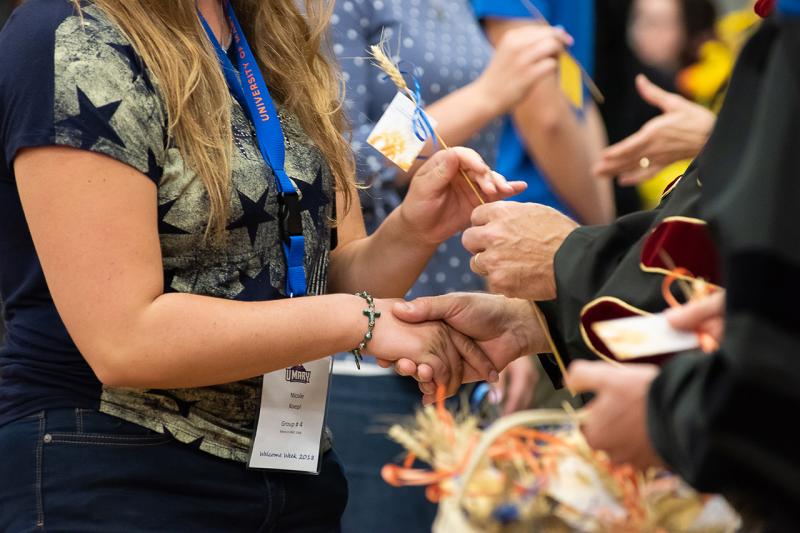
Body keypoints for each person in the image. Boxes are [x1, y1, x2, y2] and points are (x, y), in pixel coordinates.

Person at [0, 0, 526, 530]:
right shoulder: (73, 34)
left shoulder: (276, 28)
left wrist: (414, 229)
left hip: (294, 458)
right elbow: (123, 341)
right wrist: (483, 99)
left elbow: (324, 274)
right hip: (114, 463)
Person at [391, 3, 800, 527]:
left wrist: (570, 271)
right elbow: (356, 156)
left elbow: (563, 115)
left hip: (538, 290)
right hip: (439, 304)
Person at [326, 4, 563, 530]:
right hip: (372, 342)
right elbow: (345, 158)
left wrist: (519, 320)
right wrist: (488, 95)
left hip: (463, 339)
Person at [470, 0, 614, 226]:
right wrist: (600, 231)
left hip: (553, 209)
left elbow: (578, 102)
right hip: (522, 210)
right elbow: (545, 116)